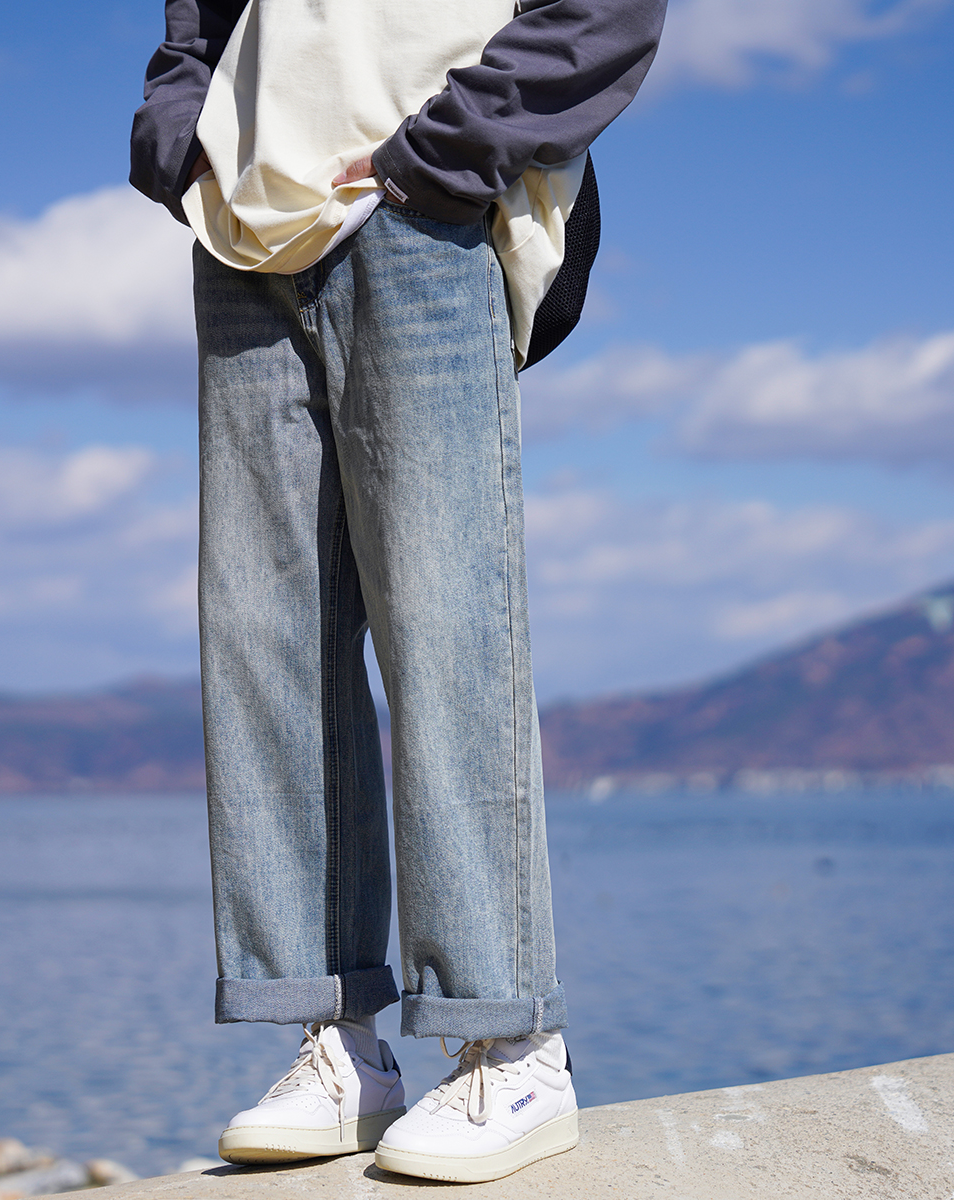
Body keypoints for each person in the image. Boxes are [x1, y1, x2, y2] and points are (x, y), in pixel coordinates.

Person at [130, 0, 665, 1183]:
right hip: (246, 229)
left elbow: (607, 11)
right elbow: (201, 27)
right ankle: (340, 1044)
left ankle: (511, 1041)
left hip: (424, 208)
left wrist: (443, 155)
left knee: (445, 623)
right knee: (268, 639)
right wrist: (186, 145)